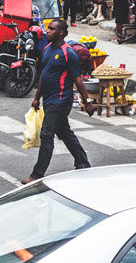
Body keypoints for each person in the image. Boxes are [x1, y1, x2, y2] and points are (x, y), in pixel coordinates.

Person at [22, 19, 93, 184]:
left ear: (61, 32)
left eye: (52, 29)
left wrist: (87, 101)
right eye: (48, 28)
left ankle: (36, 174)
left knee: (47, 134)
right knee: (65, 133)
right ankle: (82, 162)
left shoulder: (68, 53)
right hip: (48, 99)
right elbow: (43, 76)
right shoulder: (47, 50)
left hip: (61, 100)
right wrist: (36, 98)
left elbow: (78, 79)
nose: (48, 31)